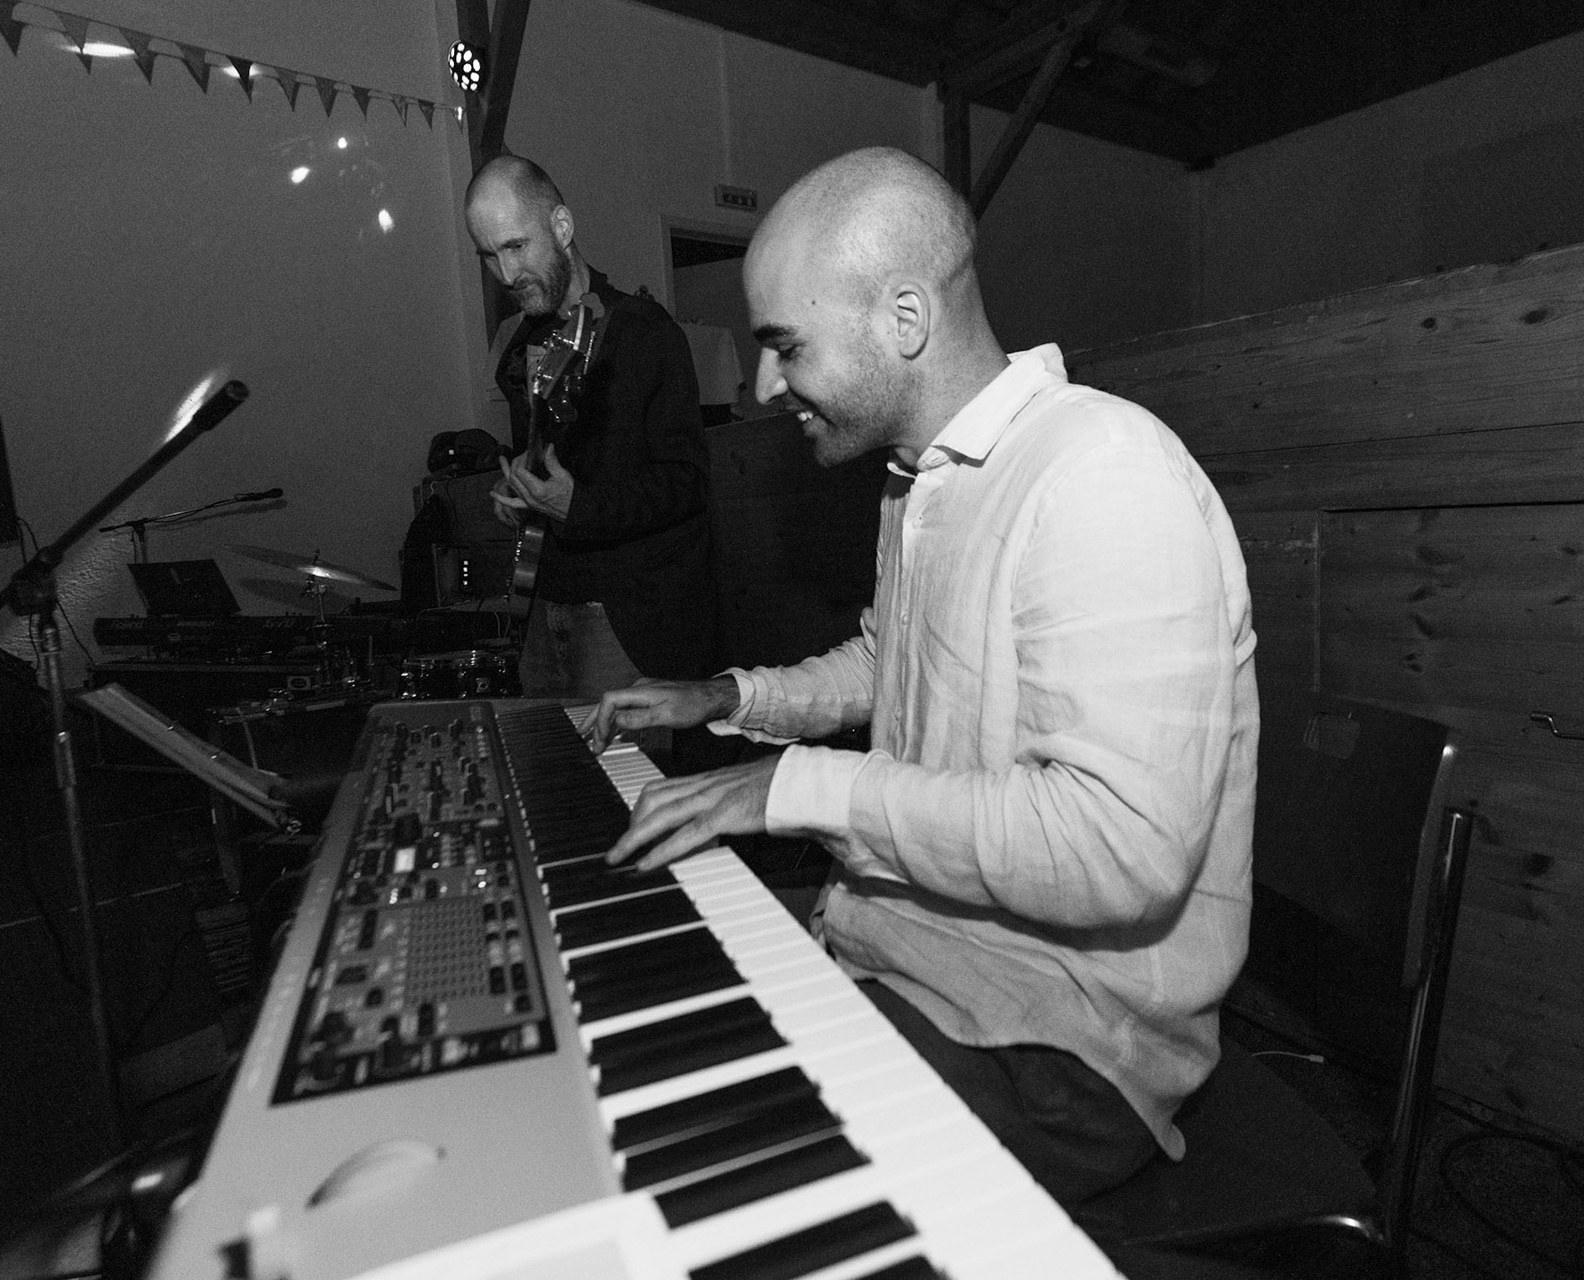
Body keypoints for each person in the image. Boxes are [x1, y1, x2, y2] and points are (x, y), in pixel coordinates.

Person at [591, 148, 1257, 1211]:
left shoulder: (1103, 474)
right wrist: (729, 697)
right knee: (640, 1038)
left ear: (904, 317)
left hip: (1062, 1047)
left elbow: (1118, 849)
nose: (762, 386)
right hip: (911, 954)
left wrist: (794, 789)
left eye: (785, 345)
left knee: (706, 1166)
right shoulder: (921, 482)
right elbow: (892, 660)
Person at [465, 154, 718, 701]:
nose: (506, 275)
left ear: (561, 227)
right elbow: (556, 460)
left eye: (516, 246)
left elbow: (688, 483)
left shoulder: (644, 333)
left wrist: (577, 506)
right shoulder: (522, 344)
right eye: (488, 255)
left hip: (625, 619)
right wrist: (524, 491)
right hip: (541, 607)